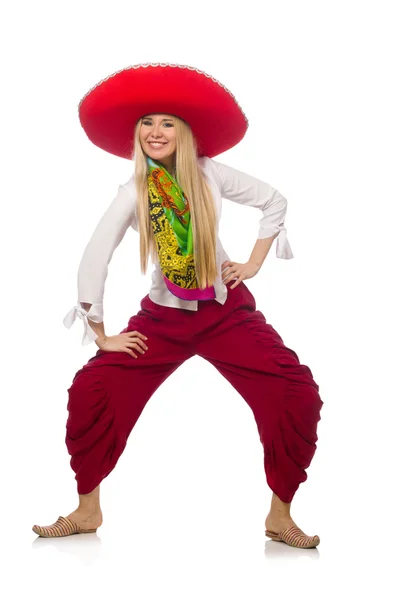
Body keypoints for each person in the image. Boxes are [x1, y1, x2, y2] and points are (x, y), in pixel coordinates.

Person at [32, 63, 323, 548]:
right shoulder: (134, 192)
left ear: (185, 132)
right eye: (147, 122)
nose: (155, 131)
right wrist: (101, 334)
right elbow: (93, 258)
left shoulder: (209, 173)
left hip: (226, 312)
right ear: (136, 135)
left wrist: (252, 263)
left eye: (167, 122)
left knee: (297, 391)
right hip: (162, 320)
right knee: (92, 388)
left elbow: (274, 200)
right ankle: (87, 511)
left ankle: (280, 516)